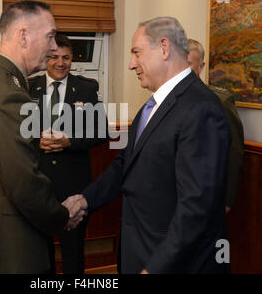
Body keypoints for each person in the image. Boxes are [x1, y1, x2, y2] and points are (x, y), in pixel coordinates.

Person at [66, 17, 231, 274]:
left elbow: (197, 206)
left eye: (136, 53)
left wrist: (155, 268)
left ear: (164, 48)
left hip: (172, 263)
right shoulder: (152, 105)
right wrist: (86, 200)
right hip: (139, 250)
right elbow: (125, 164)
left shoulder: (201, 108)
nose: (132, 64)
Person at [0, 0, 82, 274]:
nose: (54, 48)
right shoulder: (7, 94)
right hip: (8, 242)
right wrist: (62, 216)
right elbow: (23, 183)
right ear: (23, 35)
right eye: (50, 36)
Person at [29, 33, 108, 274]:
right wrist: (36, 142)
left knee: (73, 252)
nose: (60, 63)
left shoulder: (86, 88)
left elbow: (101, 132)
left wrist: (69, 142)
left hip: (74, 185)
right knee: (40, 253)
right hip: (38, 183)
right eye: (54, 57)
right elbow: (13, 132)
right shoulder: (29, 86)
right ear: (45, 58)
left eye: (66, 57)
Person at [187, 38, 244, 213]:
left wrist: (227, 199)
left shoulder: (220, 100)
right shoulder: (166, 99)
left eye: (188, 64)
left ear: (201, 66)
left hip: (207, 194)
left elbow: (233, 152)